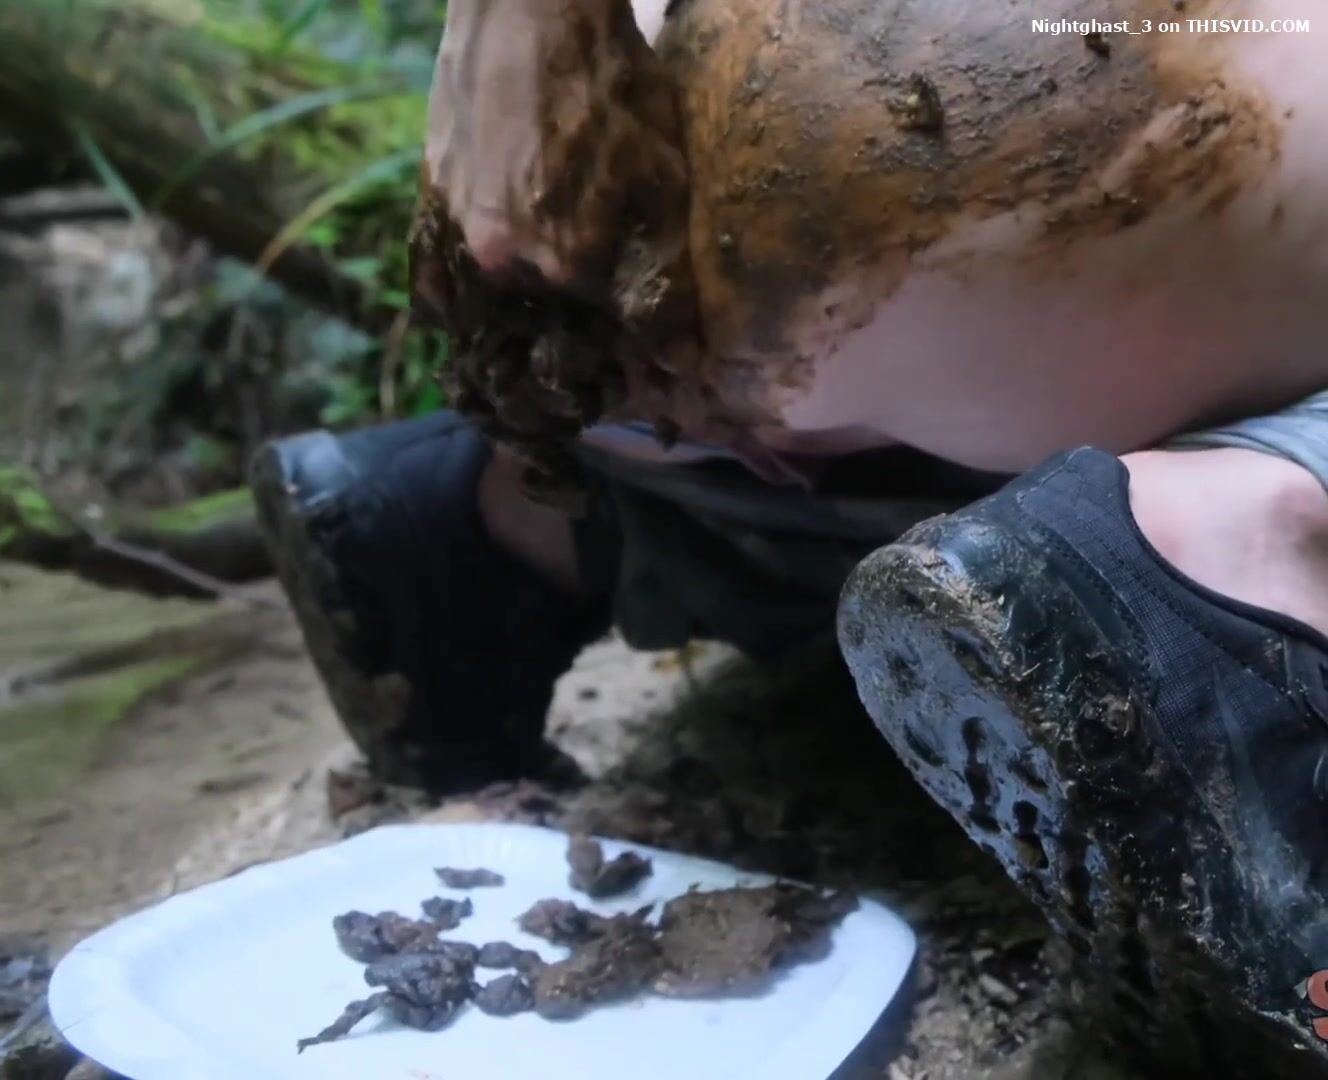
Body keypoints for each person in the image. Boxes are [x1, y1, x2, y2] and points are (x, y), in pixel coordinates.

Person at [252, 0, 1328, 1070]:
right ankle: (1221, 533)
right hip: (1082, 120)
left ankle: (498, 523)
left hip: (599, 165)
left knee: (648, 401)